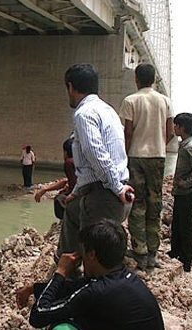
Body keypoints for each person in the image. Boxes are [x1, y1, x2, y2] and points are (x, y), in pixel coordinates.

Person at [18, 221, 164, 329]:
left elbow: (38, 316)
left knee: (61, 327)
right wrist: (33, 288)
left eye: (83, 253)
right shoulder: (123, 278)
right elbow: (75, 289)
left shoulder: (97, 291)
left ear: (92, 254)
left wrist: (60, 272)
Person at [57, 64, 134, 257]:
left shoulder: (84, 114)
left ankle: (77, 277)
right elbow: (89, 164)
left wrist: (117, 188)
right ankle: (65, 270)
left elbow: (96, 154)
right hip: (109, 192)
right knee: (72, 211)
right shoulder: (108, 111)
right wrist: (77, 191)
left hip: (106, 196)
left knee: (94, 260)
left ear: (71, 87)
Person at [118, 64, 174, 270]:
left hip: (136, 156)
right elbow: (170, 132)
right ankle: (153, 253)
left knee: (137, 204)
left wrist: (124, 155)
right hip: (157, 157)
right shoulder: (165, 101)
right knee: (155, 204)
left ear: (136, 79)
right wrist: (158, 147)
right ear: (154, 80)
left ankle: (139, 250)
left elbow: (128, 133)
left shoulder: (130, 100)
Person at [169, 113, 192, 272]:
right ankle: (175, 251)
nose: (174, 128)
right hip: (181, 193)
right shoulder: (184, 145)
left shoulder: (190, 147)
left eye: (176, 125)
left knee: (185, 226)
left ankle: (186, 259)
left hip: (187, 193)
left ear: (182, 128)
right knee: (177, 223)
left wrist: (185, 183)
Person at [34, 137, 76, 203]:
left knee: (58, 199)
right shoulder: (79, 162)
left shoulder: (69, 162)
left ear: (66, 152)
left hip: (79, 196)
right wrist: (45, 188)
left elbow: (73, 185)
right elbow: (67, 180)